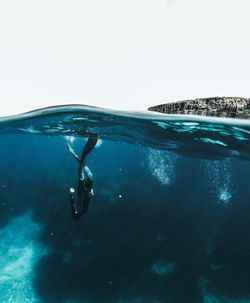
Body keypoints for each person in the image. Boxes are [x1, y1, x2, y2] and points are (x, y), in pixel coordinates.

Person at [66, 133, 98, 219]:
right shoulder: (83, 211)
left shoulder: (78, 210)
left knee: (83, 175)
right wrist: (91, 195)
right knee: (88, 175)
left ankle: (80, 159)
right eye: (75, 212)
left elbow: (73, 201)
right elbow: (87, 202)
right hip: (85, 192)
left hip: (82, 192)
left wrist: (71, 193)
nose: (75, 210)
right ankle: (80, 160)